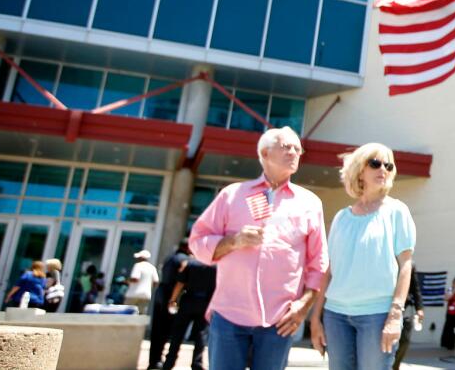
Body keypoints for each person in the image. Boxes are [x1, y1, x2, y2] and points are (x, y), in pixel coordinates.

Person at [189, 126, 329, 370]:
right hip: (229, 315)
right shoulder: (232, 195)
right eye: (287, 147)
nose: (295, 152)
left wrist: (302, 307)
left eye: (298, 148)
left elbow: (319, 263)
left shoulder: (310, 203)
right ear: (265, 153)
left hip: (280, 319)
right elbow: (197, 241)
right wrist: (233, 241)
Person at [309, 143, 416, 370]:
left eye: (388, 165)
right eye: (375, 163)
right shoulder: (341, 218)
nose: (383, 169)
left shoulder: (397, 211)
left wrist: (395, 315)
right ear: (359, 170)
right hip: (335, 316)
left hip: (377, 316)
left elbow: (406, 265)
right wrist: (316, 318)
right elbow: (330, 270)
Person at [162, 256, 218, 370]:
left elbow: (180, 284)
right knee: (201, 335)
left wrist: (173, 300)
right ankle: (197, 364)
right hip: (205, 303)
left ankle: (169, 362)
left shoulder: (190, 264)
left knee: (178, 333)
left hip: (188, 301)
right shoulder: (217, 266)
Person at [148, 241, 191, 370]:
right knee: (167, 330)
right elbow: (181, 281)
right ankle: (159, 361)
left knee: (157, 330)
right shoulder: (184, 260)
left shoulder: (170, 258)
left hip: (161, 293)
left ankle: (153, 361)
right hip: (171, 296)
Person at [393, 263, 425, 370]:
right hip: (386, 307)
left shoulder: (410, 265)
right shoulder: (385, 260)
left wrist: (419, 308)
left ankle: (395, 366)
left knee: (405, 340)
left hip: (405, 308)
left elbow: (416, 289)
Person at [126, 249, 159, 314]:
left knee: (127, 313)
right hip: (146, 295)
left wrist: (127, 281)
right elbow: (156, 282)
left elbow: (135, 278)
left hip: (134, 294)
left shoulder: (138, 265)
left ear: (141, 258)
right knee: (141, 314)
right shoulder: (152, 267)